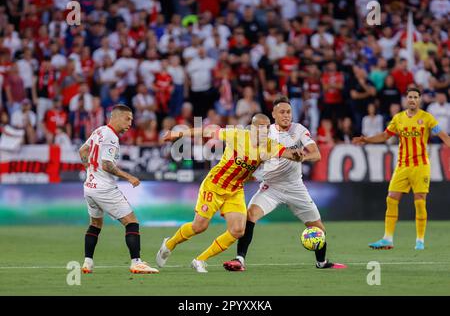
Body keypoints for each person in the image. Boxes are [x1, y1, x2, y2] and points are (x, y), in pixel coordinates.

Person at [155, 113, 303, 273]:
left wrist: (298, 155)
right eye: (261, 127)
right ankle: (169, 244)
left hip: (235, 190)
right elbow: (206, 131)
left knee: (238, 230)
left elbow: (289, 154)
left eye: (267, 127)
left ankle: (200, 260)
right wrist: (176, 134)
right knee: (199, 226)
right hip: (214, 185)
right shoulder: (237, 134)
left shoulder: (270, 145)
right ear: (252, 128)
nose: (265, 131)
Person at [223, 96, 347, 271]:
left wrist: (301, 157)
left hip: (295, 187)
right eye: (282, 112)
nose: (286, 115)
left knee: (318, 229)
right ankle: (239, 260)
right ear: (273, 114)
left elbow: (316, 154)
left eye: (289, 112)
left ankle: (322, 262)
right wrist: (249, 174)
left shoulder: (299, 130)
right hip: (271, 186)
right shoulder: (266, 132)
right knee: (250, 216)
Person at [352, 88, 450, 250]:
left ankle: (420, 240)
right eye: (410, 97)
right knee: (391, 198)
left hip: (420, 166)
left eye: (415, 97)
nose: (412, 99)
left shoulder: (427, 118)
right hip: (402, 166)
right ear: (406, 100)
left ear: (419, 100)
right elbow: (385, 136)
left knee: (419, 202)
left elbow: (444, 137)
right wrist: (366, 139)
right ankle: (387, 239)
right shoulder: (398, 119)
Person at [78, 104, 159, 274]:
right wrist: (129, 177)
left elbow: (83, 150)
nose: (130, 123)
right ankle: (136, 262)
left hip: (90, 187)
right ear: (114, 117)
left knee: (95, 224)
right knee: (131, 222)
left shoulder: (99, 131)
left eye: (131, 120)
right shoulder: (111, 137)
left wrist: (90, 170)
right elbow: (107, 165)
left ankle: (87, 263)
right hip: (104, 188)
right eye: (127, 118)